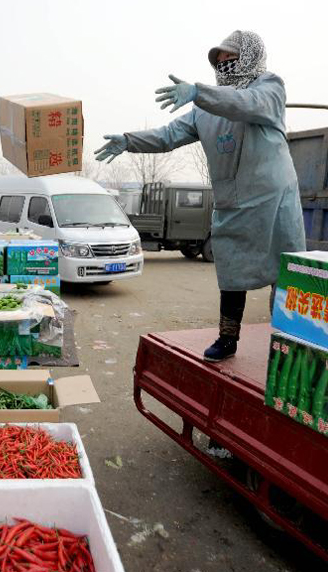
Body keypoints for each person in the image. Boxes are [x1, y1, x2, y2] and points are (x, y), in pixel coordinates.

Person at [95, 30, 305, 362]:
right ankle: (227, 337)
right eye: (219, 62)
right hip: (231, 202)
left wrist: (198, 92)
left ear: (250, 58)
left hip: (272, 200)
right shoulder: (204, 109)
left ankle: (289, 342)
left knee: (283, 271)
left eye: (231, 60)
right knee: (231, 269)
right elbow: (168, 135)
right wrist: (128, 140)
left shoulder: (269, 88)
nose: (225, 68)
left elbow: (243, 104)